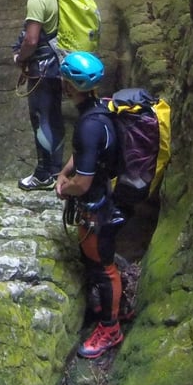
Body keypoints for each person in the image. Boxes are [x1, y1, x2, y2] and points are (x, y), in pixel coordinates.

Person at [55, 50, 125, 359]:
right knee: (96, 263)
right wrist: (65, 171)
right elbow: (85, 155)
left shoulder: (87, 125)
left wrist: (64, 187)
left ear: (69, 86)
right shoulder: (102, 108)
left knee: (103, 267)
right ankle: (105, 307)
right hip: (102, 197)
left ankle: (111, 328)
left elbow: (82, 182)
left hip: (96, 204)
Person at [12, 0, 64, 190]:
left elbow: (31, 40)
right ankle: (55, 170)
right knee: (54, 118)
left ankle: (43, 174)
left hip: (41, 70)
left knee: (41, 120)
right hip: (57, 68)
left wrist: (19, 58)